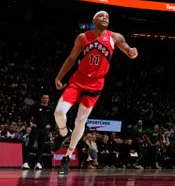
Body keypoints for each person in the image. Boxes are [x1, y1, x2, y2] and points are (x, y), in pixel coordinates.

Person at [53, 11, 138, 175]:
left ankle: (67, 157)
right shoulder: (82, 37)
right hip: (77, 81)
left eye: (107, 16)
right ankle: (64, 133)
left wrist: (132, 53)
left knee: (80, 121)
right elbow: (71, 58)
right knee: (59, 112)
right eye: (101, 16)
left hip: (95, 85)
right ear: (93, 20)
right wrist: (59, 76)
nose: (105, 17)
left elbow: (127, 48)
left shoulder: (114, 37)